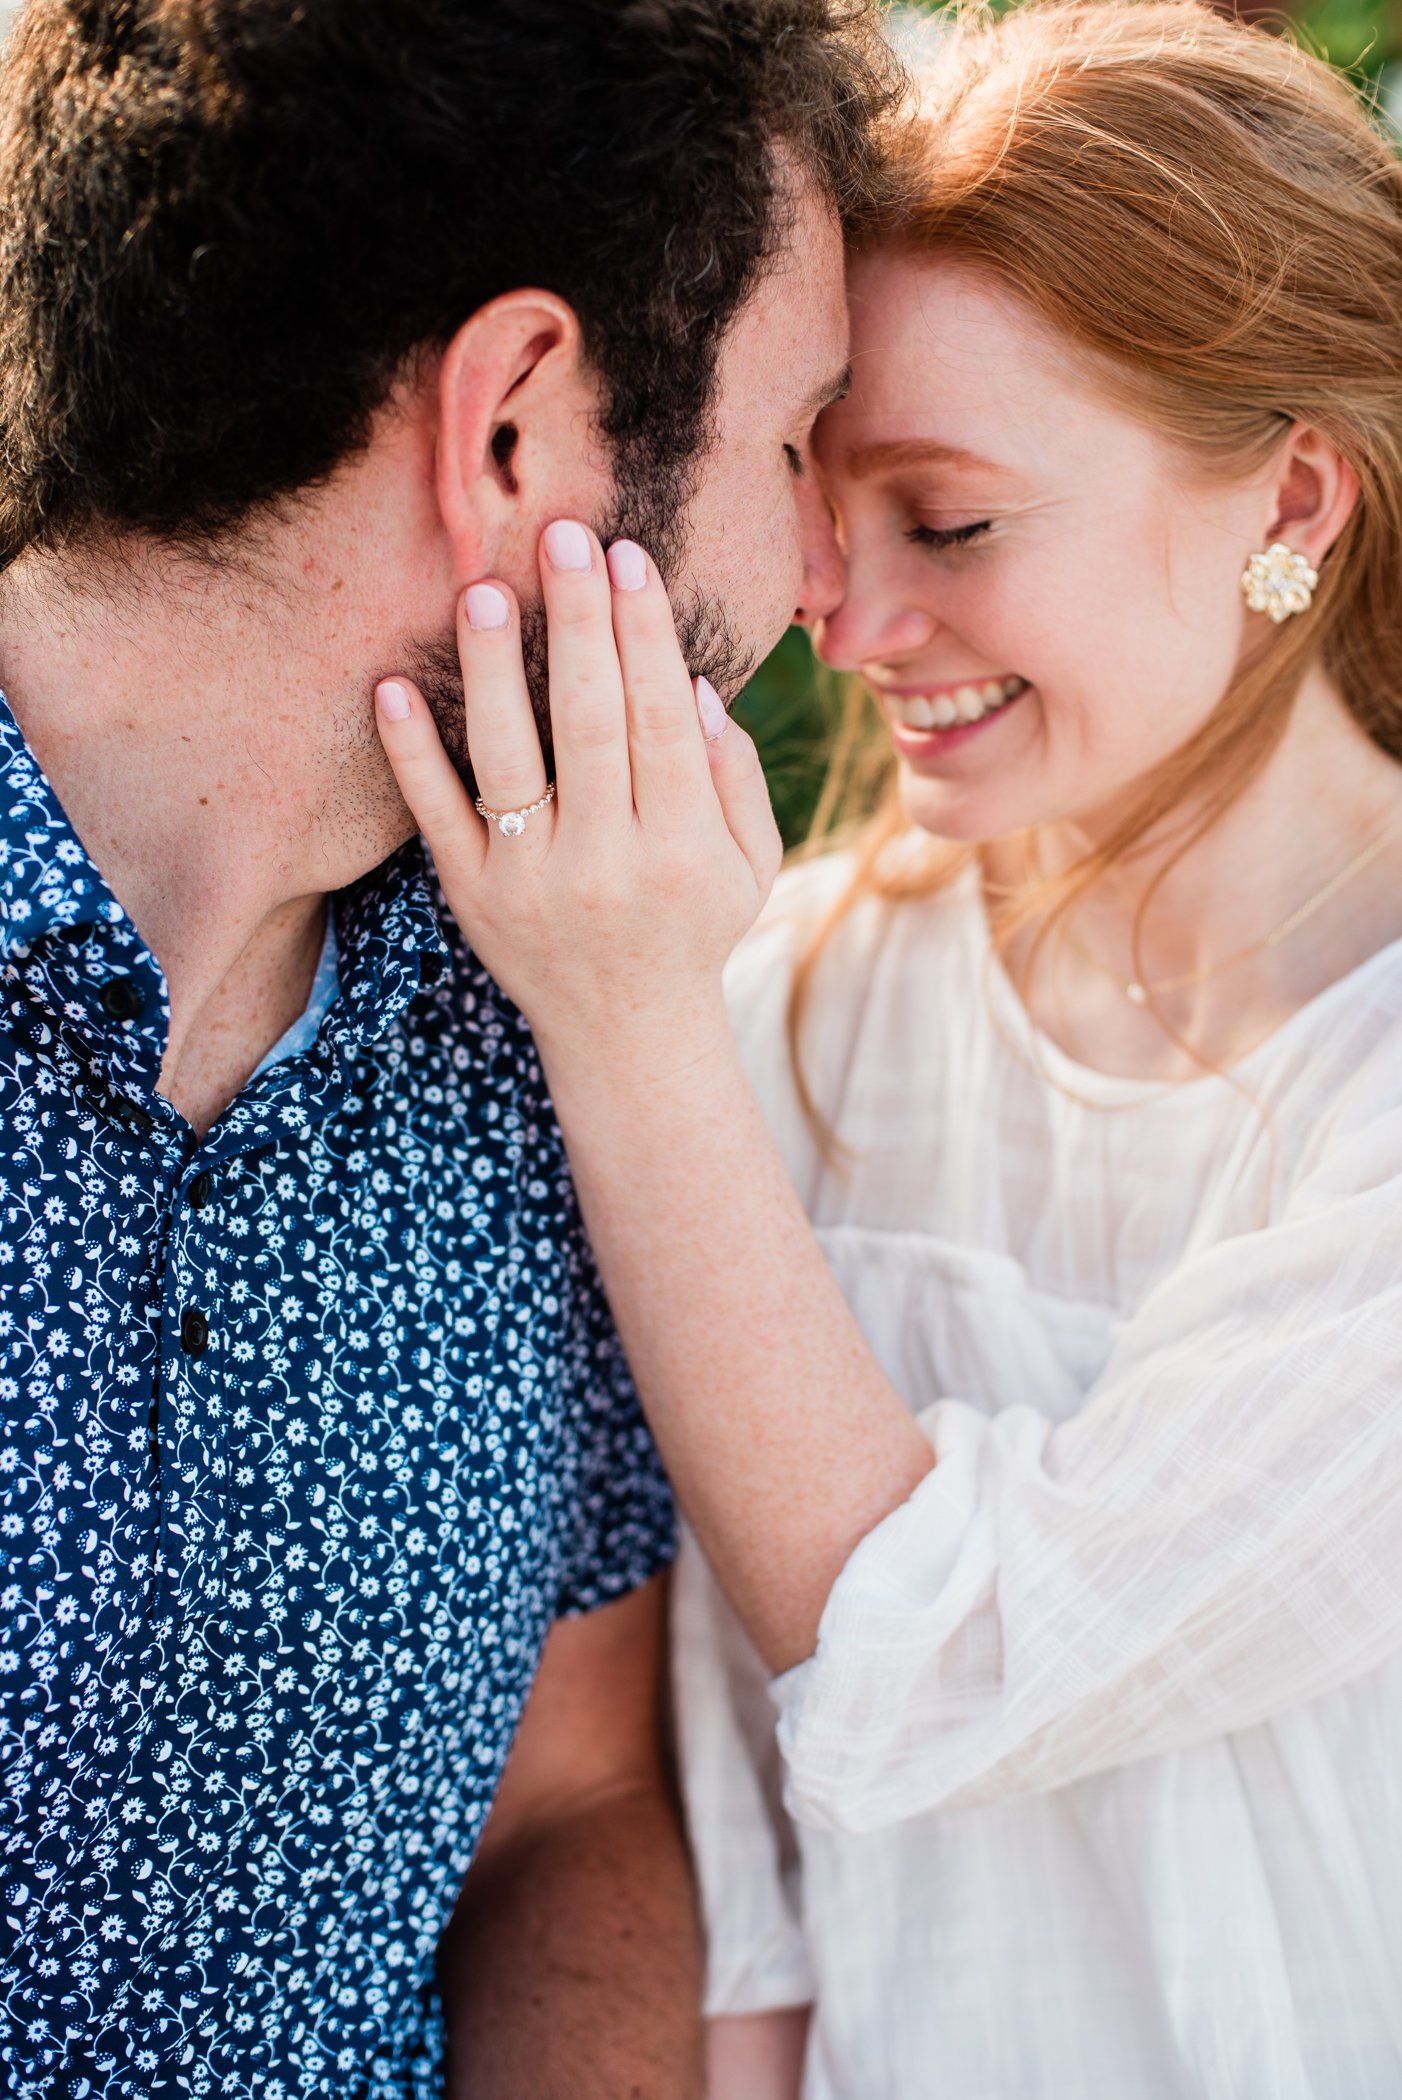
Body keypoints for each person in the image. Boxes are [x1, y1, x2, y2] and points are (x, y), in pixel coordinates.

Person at [376, 2, 1402, 2094]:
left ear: (1288, 492)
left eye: (945, 524)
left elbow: (919, 1659)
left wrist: (622, 1019)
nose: (835, 628)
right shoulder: (797, 996)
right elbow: (708, 1752)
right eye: (819, 514)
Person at [0, 1, 901, 2092]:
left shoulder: (556, 1026)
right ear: (513, 426)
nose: (820, 577)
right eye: (790, 449)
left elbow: (569, 1805)